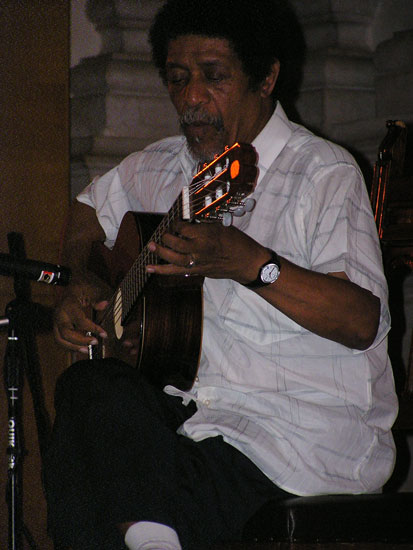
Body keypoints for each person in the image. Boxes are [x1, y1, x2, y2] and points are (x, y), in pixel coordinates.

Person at [43, 1, 398, 549]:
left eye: (214, 77)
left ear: (266, 78)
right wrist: (82, 283)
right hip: (192, 421)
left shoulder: (322, 172)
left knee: (102, 494)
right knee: (87, 390)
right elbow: (88, 209)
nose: (191, 98)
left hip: (294, 441)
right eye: (177, 79)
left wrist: (254, 265)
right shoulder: (160, 166)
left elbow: (359, 321)